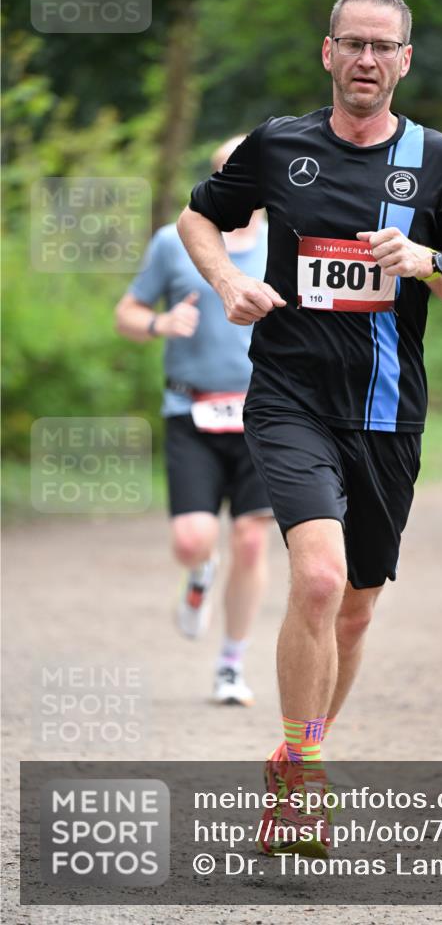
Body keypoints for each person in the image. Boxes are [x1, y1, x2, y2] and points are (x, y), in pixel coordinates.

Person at [177, 0, 442, 854]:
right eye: (350, 44)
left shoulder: (439, 160)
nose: (365, 60)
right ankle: (307, 785)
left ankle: (293, 757)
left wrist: (428, 258)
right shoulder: (280, 147)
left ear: (402, 60)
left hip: (389, 414)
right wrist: (229, 281)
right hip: (289, 397)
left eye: (380, 47)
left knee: (353, 610)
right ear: (327, 53)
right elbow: (198, 218)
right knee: (315, 580)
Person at [115, 137, 273, 707]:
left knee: (253, 541)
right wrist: (158, 326)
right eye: (227, 172)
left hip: (265, 413)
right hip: (192, 410)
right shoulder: (173, 242)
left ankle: (231, 664)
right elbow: (126, 314)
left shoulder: (287, 243)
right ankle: (201, 572)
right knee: (192, 539)